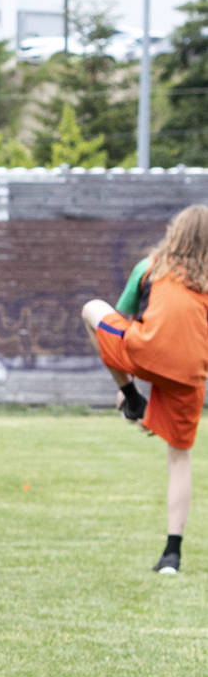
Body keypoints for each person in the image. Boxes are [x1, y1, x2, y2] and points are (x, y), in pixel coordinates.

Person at [82, 203, 208, 575]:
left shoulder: (150, 267)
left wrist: (128, 381)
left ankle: (132, 397)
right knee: (179, 458)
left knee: (92, 309)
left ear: (175, 232)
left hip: (142, 353)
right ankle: (172, 554)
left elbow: (120, 319)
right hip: (189, 373)